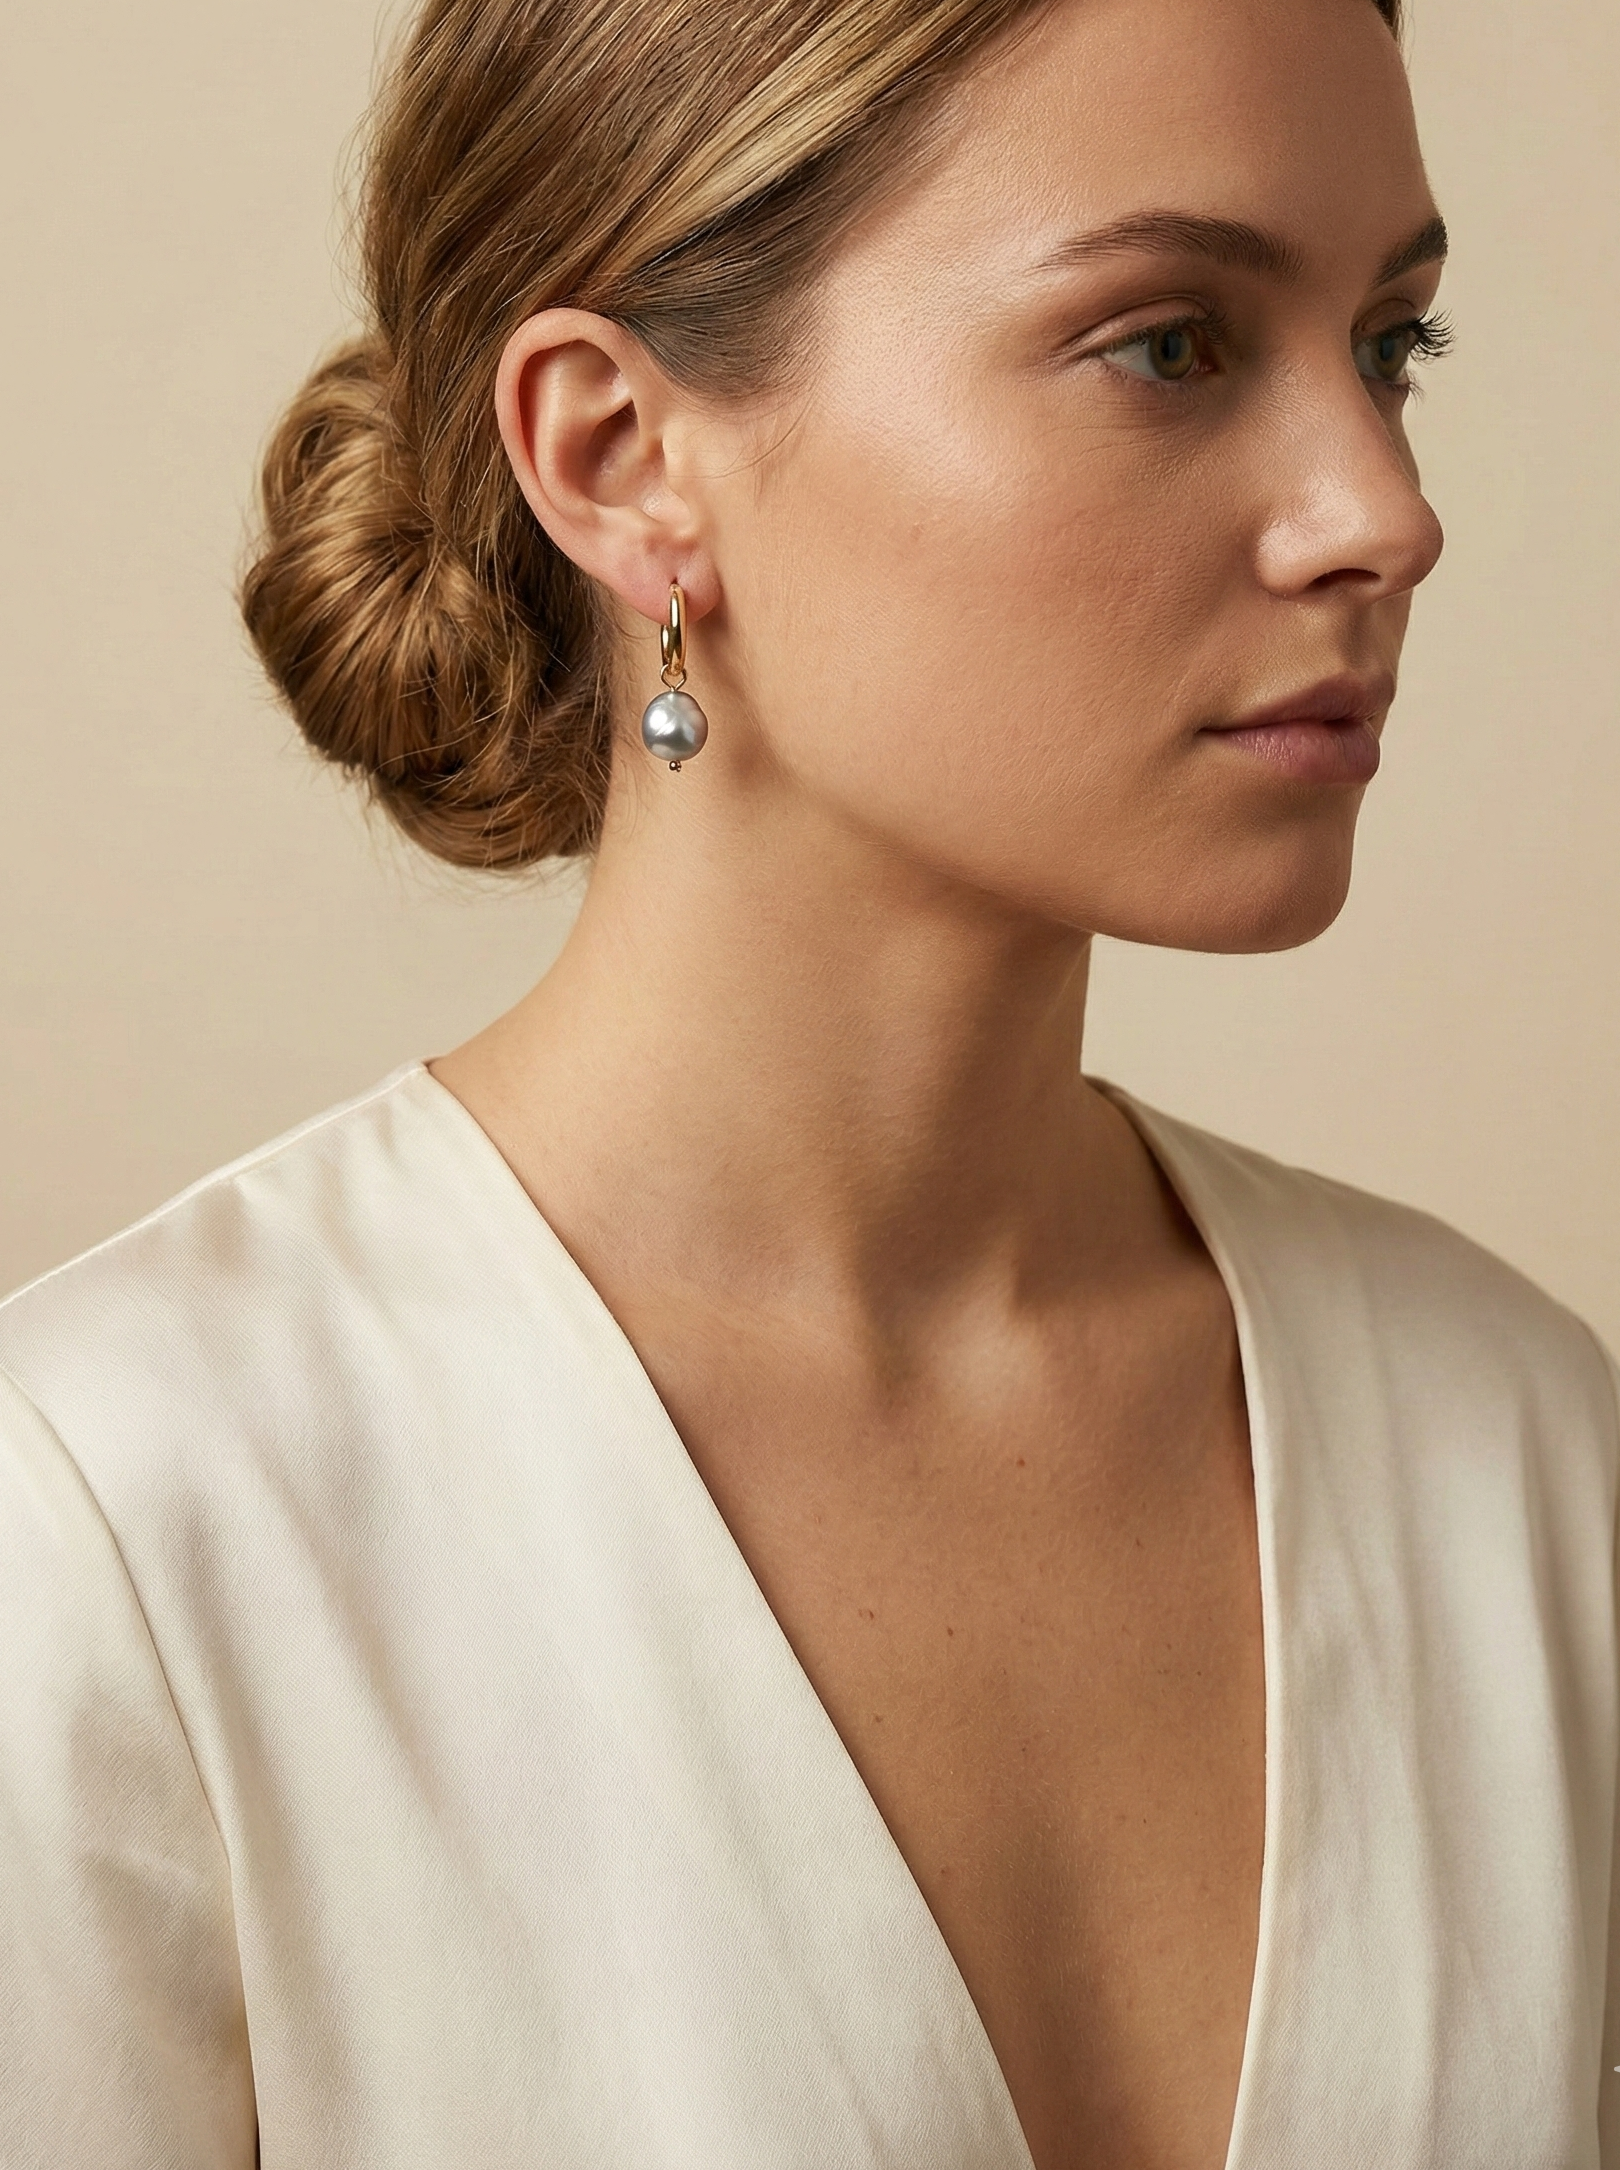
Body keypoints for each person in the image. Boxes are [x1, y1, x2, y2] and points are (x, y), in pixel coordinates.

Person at [2, 0, 1616, 2162]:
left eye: (1390, 345)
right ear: (619, 457)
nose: (1383, 513)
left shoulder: (1517, 1460)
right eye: (1171, 344)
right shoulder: (116, 1531)